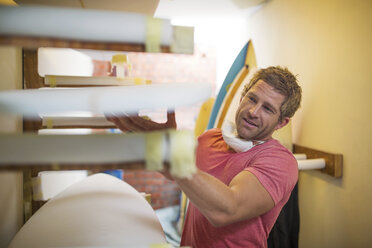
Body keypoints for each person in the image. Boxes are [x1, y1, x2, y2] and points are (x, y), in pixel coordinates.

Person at [107, 66, 302, 248]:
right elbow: (174, 171)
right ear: (242, 96)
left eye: (267, 109)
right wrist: (132, 129)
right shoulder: (211, 138)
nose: (253, 112)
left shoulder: (280, 162)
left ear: (281, 123)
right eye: (252, 99)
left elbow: (227, 209)